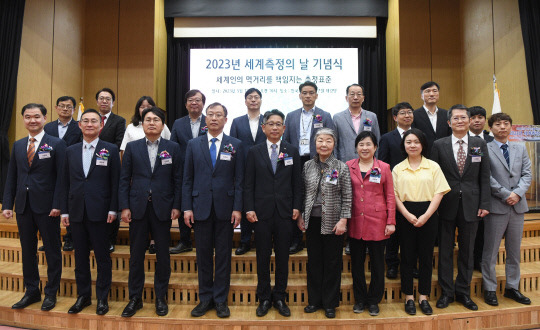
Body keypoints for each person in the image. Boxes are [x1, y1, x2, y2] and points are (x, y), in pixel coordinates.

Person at [2, 103, 66, 311]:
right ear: (23, 120)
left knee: (52, 251)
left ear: (45, 118)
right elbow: (12, 176)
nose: (32, 120)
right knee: (28, 251)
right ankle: (32, 291)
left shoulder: (56, 144)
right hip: (23, 206)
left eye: (36, 116)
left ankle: (51, 292)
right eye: (28, 117)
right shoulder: (18, 145)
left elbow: (61, 178)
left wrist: (58, 204)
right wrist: (7, 203)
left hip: (48, 207)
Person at [183, 102, 243, 318]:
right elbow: (187, 179)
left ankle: (220, 300)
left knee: (224, 256)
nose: (214, 118)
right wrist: (187, 208)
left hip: (226, 209)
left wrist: (238, 208)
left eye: (219, 115)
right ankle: (205, 298)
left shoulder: (235, 144)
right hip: (200, 208)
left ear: (226, 120)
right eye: (211, 115)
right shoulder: (193, 144)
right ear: (205, 119)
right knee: (204, 255)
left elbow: (239, 180)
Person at [119, 107, 181, 317]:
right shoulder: (132, 147)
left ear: (163, 125)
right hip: (137, 207)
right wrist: (125, 206)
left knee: (163, 255)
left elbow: (178, 180)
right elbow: (123, 179)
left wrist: (176, 205)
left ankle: (160, 297)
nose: (152, 123)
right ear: (142, 124)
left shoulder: (172, 147)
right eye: (148, 120)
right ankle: (135, 298)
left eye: (156, 120)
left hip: (163, 208)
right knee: (136, 255)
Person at [60, 108, 121, 315]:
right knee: (80, 258)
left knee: (103, 258)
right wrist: (65, 212)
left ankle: (102, 298)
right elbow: (64, 183)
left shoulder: (110, 149)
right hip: (76, 212)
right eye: (85, 121)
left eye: (94, 121)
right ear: (79, 125)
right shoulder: (70, 150)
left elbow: (115, 183)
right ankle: (83, 296)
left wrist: (114, 208)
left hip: (102, 212)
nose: (89, 124)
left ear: (101, 125)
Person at [431, 104, 490, 311]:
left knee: (467, 251)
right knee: (445, 251)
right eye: (455, 118)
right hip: (446, 205)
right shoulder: (439, 145)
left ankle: (463, 292)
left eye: (463, 118)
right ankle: (446, 293)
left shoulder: (479, 143)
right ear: (449, 122)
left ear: (469, 120)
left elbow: (484, 176)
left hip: (472, 206)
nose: (460, 121)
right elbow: (434, 178)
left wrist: (484, 203)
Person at [244, 109, 302, 317]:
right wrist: (249, 207)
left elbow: (297, 183)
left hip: (286, 213)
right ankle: (264, 297)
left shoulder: (292, 150)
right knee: (262, 256)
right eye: (271, 124)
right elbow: (248, 184)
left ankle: (279, 296)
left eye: (279, 124)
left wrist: (297, 206)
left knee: (283, 257)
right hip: (260, 213)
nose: (275, 127)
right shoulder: (254, 151)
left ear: (284, 128)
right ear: (264, 127)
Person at [392, 128, 450, 315]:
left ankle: (423, 297)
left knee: (426, 257)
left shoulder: (433, 166)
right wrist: (407, 215)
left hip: (429, 214)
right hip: (405, 214)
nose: (413, 145)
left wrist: (426, 216)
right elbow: (394, 196)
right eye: (408, 142)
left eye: (416, 141)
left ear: (423, 144)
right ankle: (409, 297)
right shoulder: (398, 168)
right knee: (407, 257)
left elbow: (439, 192)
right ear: (404, 145)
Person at [298, 128, 352, 319]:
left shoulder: (341, 167)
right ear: (315, 143)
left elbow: (347, 196)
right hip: (311, 221)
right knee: (314, 262)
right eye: (320, 140)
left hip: (333, 221)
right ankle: (314, 301)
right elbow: (304, 194)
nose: (324, 144)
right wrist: (301, 217)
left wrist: (344, 220)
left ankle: (330, 303)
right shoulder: (307, 166)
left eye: (328, 141)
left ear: (334, 144)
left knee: (332, 262)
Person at [482, 113, 532, 306]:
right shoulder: (485, 148)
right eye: (497, 124)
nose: (502, 127)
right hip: (497, 206)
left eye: (506, 123)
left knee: (514, 251)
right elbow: (486, 176)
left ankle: (512, 287)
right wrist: (505, 194)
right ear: (491, 128)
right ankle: (490, 288)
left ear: (511, 126)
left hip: (518, 206)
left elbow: (527, 173)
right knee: (490, 251)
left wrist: (517, 193)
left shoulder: (520, 147)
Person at [346, 131, 395, 317]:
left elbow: (390, 196)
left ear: (375, 147)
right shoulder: (348, 166)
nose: (364, 148)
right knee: (356, 264)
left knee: (377, 264)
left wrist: (391, 221)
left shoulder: (384, 167)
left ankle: (374, 301)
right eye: (361, 144)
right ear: (356, 147)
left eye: (368, 144)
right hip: (356, 221)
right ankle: (360, 299)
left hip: (378, 222)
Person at [283, 81, 334, 254]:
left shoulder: (325, 115)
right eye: (304, 93)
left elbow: (331, 139)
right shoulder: (290, 116)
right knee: (297, 197)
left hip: (317, 160)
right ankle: (296, 240)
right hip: (296, 161)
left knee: (316, 196)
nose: (308, 95)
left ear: (316, 95)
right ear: (299, 95)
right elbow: (287, 142)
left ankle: (317, 236)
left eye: (311, 93)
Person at [378, 102, 414, 279]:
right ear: (395, 117)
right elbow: (382, 163)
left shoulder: (418, 136)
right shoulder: (387, 138)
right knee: (393, 229)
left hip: (415, 190)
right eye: (402, 113)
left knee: (411, 231)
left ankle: (411, 264)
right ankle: (392, 264)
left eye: (409, 113)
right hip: (393, 189)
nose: (407, 116)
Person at [169, 89, 207, 254]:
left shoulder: (210, 120)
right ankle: (185, 241)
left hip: (205, 170)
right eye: (191, 100)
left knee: (203, 204)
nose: (194, 103)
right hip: (183, 170)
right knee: (185, 203)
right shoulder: (178, 123)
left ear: (203, 104)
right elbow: (173, 147)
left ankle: (204, 241)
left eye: (198, 100)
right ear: (186, 104)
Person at [43, 95, 82, 252]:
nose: (65, 109)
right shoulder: (48, 127)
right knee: (50, 206)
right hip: (51, 170)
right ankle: (51, 241)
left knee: (70, 205)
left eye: (69, 106)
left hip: (72, 169)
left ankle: (69, 238)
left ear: (73, 109)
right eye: (62, 106)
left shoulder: (79, 126)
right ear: (56, 108)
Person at [230, 88, 266, 255]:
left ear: (260, 100)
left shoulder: (268, 120)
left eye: (256, 97)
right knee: (245, 205)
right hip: (243, 168)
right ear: (245, 101)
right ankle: (244, 241)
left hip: (264, 168)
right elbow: (231, 146)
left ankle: (262, 241)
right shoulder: (237, 122)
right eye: (250, 97)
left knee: (262, 204)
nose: (253, 100)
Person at [95, 87, 126, 253]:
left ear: (113, 102)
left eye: (108, 99)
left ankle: (109, 239)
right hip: (89, 167)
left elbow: (118, 143)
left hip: (109, 164)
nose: (104, 101)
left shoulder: (119, 121)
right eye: (101, 98)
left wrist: (101, 153)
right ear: (97, 101)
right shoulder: (90, 118)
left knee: (110, 202)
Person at [468, 105, 494, 271]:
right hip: (467, 193)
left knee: (483, 231)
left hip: (487, 193)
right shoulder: (456, 139)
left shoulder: (492, 141)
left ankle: (479, 261)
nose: (477, 120)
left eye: (480, 117)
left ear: (485, 121)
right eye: (474, 117)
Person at [334, 84, 380, 162]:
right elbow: (334, 144)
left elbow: (377, 140)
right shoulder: (338, 117)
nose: (355, 97)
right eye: (352, 94)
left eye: (359, 94)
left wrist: (375, 162)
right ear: (346, 98)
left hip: (367, 162)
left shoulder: (371, 116)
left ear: (363, 98)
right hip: (344, 162)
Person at [412, 82, 451, 156]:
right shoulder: (414, 115)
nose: (432, 94)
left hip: (445, 155)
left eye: (435, 91)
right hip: (423, 156)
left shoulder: (447, 114)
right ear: (421, 96)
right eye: (428, 91)